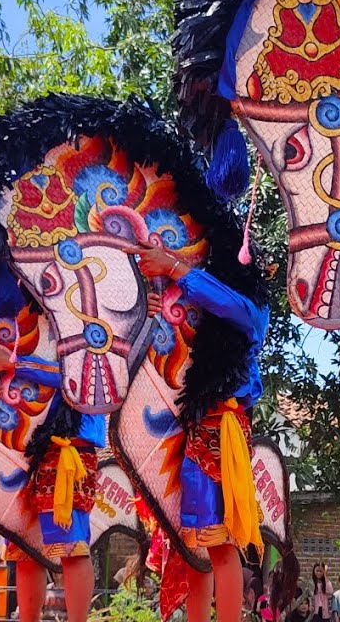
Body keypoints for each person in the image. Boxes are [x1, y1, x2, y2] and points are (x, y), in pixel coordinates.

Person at [125, 239, 269, 622]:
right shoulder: (199, 313)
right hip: (184, 432)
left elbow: (227, 302)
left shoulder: (249, 311)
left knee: (220, 545)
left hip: (223, 435)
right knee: (191, 544)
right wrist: (151, 314)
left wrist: (173, 268)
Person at [0, 341, 105, 622]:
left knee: (72, 545)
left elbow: (79, 374)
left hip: (69, 443)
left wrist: (13, 363)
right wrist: (0, 388)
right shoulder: (17, 323)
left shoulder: (77, 310)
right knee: (23, 548)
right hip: (18, 448)